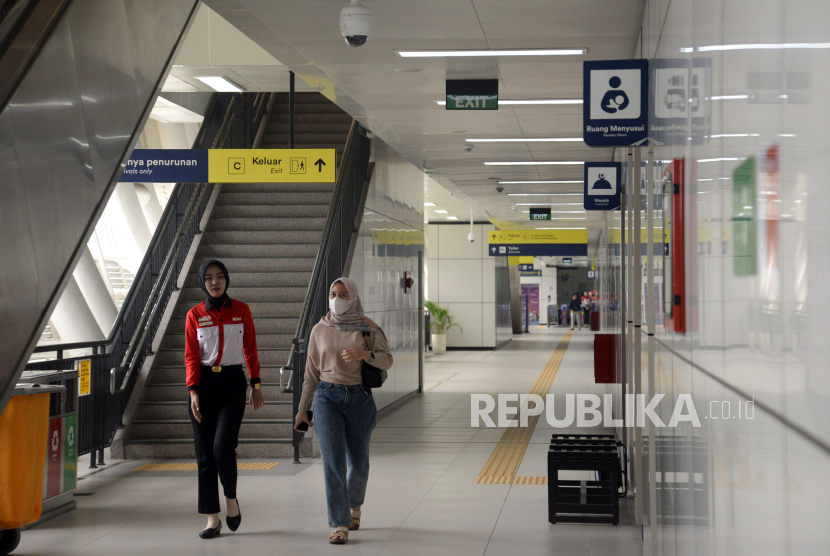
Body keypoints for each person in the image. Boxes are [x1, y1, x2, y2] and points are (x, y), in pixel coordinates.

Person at [294, 277, 393, 545]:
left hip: (359, 398)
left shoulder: (367, 328)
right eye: (333, 294)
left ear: (354, 298)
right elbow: (311, 373)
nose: (337, 299)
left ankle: (355, 505)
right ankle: (339, 523)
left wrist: (365, 356)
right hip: (327, 397)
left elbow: (388, 359)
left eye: (343, 294)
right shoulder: (319, 329)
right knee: (333, 462)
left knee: (359, 462)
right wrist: (303, 408)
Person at [185, 259, 264, 539]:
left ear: (226, 279)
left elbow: (250, 348)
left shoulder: (241, 310)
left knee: (222, 449)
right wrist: (193, 391)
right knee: (205, 454)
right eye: (208, 278)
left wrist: (255, 384)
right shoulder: (195, 314)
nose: (215, 282)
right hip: (203, 386)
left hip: (232, 384)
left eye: (219, 277)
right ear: (202, 282)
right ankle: (211, 518)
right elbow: (192, 356)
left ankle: (231, 498)